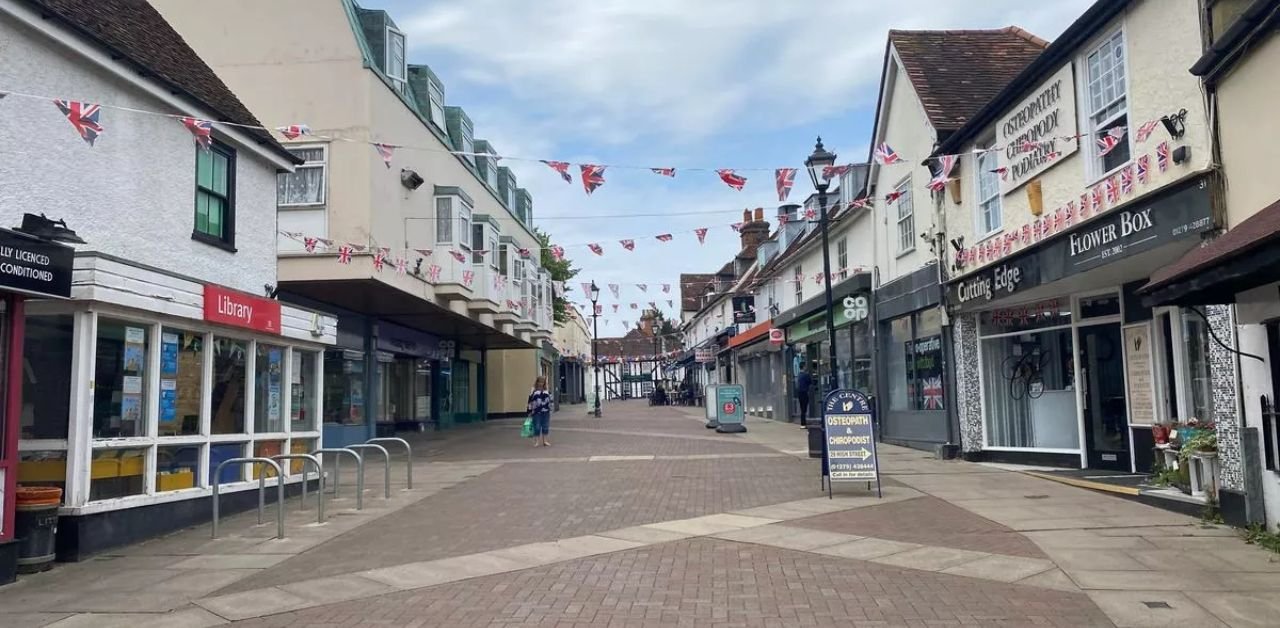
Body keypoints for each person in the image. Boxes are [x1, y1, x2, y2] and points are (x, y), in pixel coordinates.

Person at [528, 376, 553, 447]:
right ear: (537, 382)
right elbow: (530, 400)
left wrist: (550, 408)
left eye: (543, 382)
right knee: (537, 426)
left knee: (545, 426)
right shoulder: (533, 390)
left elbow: (551, 399)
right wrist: (529, 411)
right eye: (540, 382)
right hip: (536, 411)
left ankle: (545, 441)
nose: (541, 383)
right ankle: (537, 442)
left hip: (546, 411)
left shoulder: (547, 390)